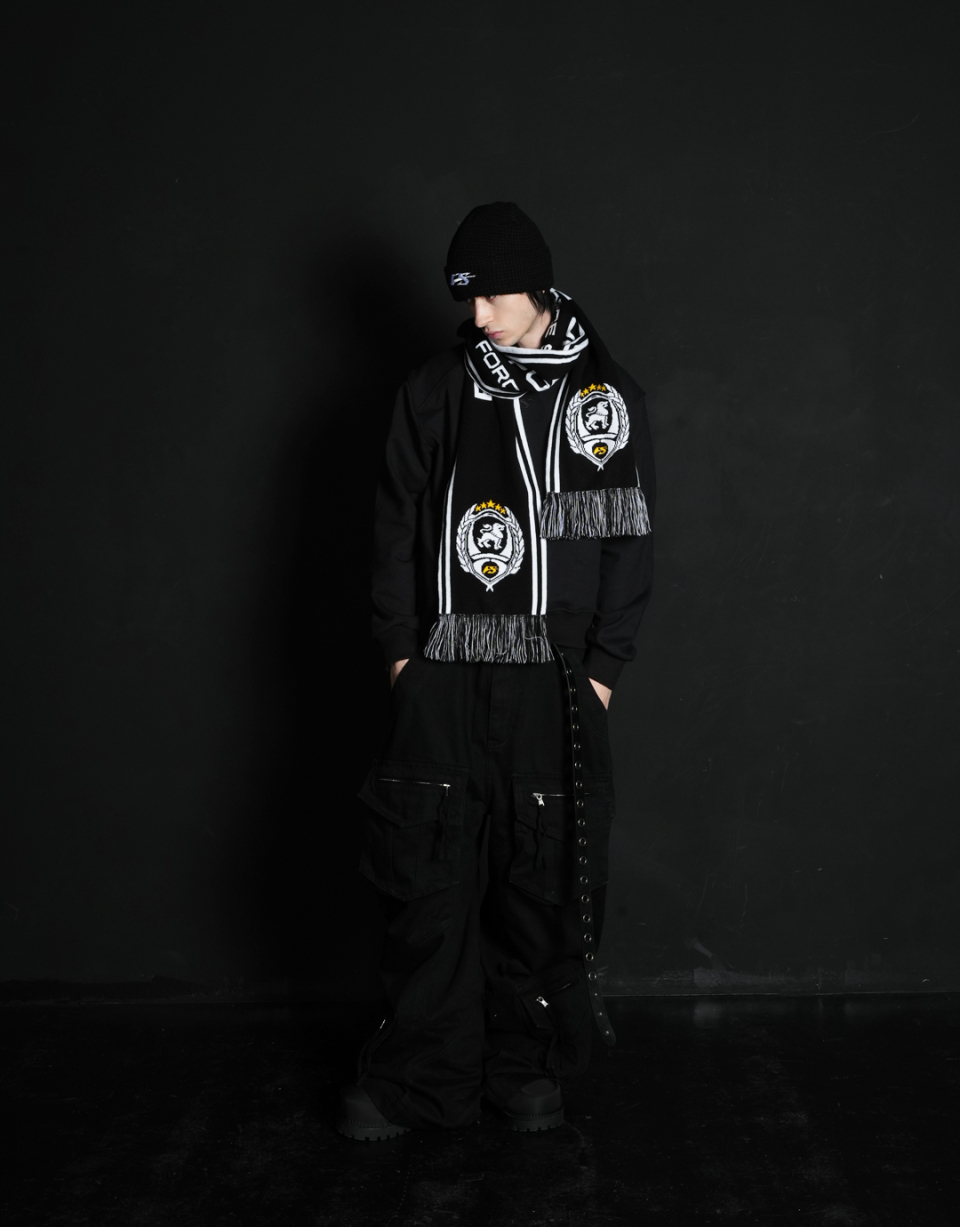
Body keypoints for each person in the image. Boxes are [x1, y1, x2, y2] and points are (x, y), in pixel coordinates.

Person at [336, 202, 656, 1140]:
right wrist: (403, 656)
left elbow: (625, 544)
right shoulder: (435, 391)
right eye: (465, 301)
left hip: (552, 673)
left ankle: (525, 1067)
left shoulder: (602, 398)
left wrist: (600, 671)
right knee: (428, 876)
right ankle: (421, 1076)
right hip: (446, 661)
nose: (476, 318)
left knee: (542, 875)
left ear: (537, 285)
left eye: (492, 298)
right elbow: (395, 529)